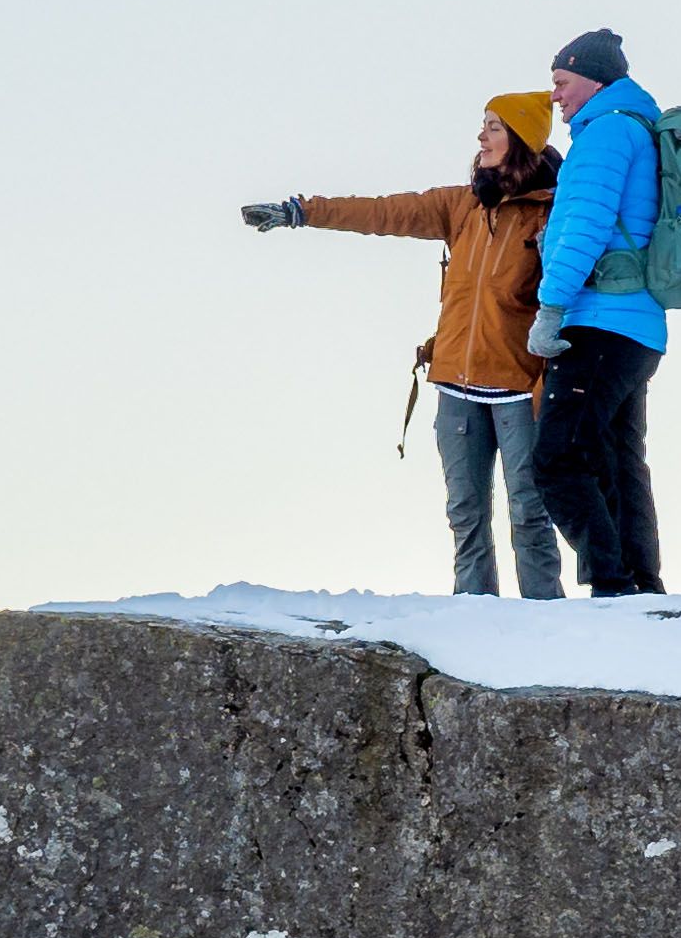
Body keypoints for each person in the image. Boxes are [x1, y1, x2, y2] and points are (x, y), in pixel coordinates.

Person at [242, 92, 576, 596]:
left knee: (530, 516)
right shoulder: (459, 205)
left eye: (494, 128)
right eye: (482, 126)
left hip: (519, 388)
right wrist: (301, 212)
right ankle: (475, 618)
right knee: (465, 518)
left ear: (523, 140)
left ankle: (545, 624)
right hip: (455, 389)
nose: (481, 137)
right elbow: (384, 212)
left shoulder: (553, 212)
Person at [521, 21, 669, 597]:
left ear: (591, 78)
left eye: (561, 81)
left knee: (557, 460)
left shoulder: (605, 135)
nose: (555, 94)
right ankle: (638, 584)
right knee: (615, 461)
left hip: (598, 322)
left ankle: (613, 586)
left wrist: (551, 308)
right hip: (637, 327)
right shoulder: (639, 128)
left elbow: (583, 226)